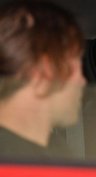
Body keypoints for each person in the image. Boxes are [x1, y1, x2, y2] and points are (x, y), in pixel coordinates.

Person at [0, 1, 86, 159]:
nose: (82, 81)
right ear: (47, 68)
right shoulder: (16, 166)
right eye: (76, 63)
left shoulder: (55, 150)